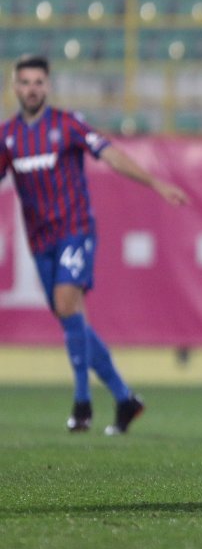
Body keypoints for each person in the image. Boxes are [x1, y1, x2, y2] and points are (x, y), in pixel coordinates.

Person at [0, 55, 189, 434]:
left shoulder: (67, 125)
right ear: (15, 87)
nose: (32, 88)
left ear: (47, 86)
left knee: (68, 303)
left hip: (76, 229)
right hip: (40, 241)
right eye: (25, 82)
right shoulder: (8, 136)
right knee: (72, 320)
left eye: (39, 81)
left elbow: (111, 153)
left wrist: (155, 183)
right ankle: (124, 399)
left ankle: (82, 403)